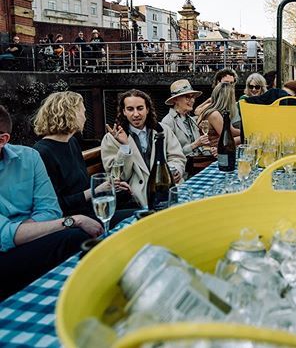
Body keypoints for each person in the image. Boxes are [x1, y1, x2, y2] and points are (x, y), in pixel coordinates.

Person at [0, 105, 102, 300]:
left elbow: (50, 210)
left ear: (3, 140)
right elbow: (3, 236)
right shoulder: (42, 151)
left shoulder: (28, 157)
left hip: (34, 241)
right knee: (76, 238)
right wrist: (73, 220)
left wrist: (23, 231)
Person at [33, 92, 136, 220]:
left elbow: (82, 185)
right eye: (83, 112)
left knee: (140, 210)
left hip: (89, 209)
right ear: (70, 114)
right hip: (74, 220)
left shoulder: (71, 142)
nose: (85, 118)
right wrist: (95, 190)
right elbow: (57, 204)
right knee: (138, 217)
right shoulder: (42, 153)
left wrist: (111, 184)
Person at [101, 90, 186, 208]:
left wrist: (175, 170)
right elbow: (119, 177)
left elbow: (177, 157)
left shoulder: (163, 130)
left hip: (167, 189)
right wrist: (125, 146)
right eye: (130, 109)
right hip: (136, 198)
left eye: (140, 108)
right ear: (124, 112)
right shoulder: (111, 139)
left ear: (147, 109)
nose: (136, 114)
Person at [161, 80, 210, 159]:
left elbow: (199, 149)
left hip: (197, 163)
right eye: (188, 97)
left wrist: (211, 151)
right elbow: (168, 154)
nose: (192, 100)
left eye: (193, 97)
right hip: (184, 168)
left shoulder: (191, 120)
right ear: (175, 100)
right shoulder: (167, 122)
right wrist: (195, 144)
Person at [197, 82, 241, 153]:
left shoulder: (208, 109)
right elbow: (228, 138)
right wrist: (246, 135)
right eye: (233, 96)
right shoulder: (215, 114)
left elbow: (232, 131)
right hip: (209, 154)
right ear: (228, 98)